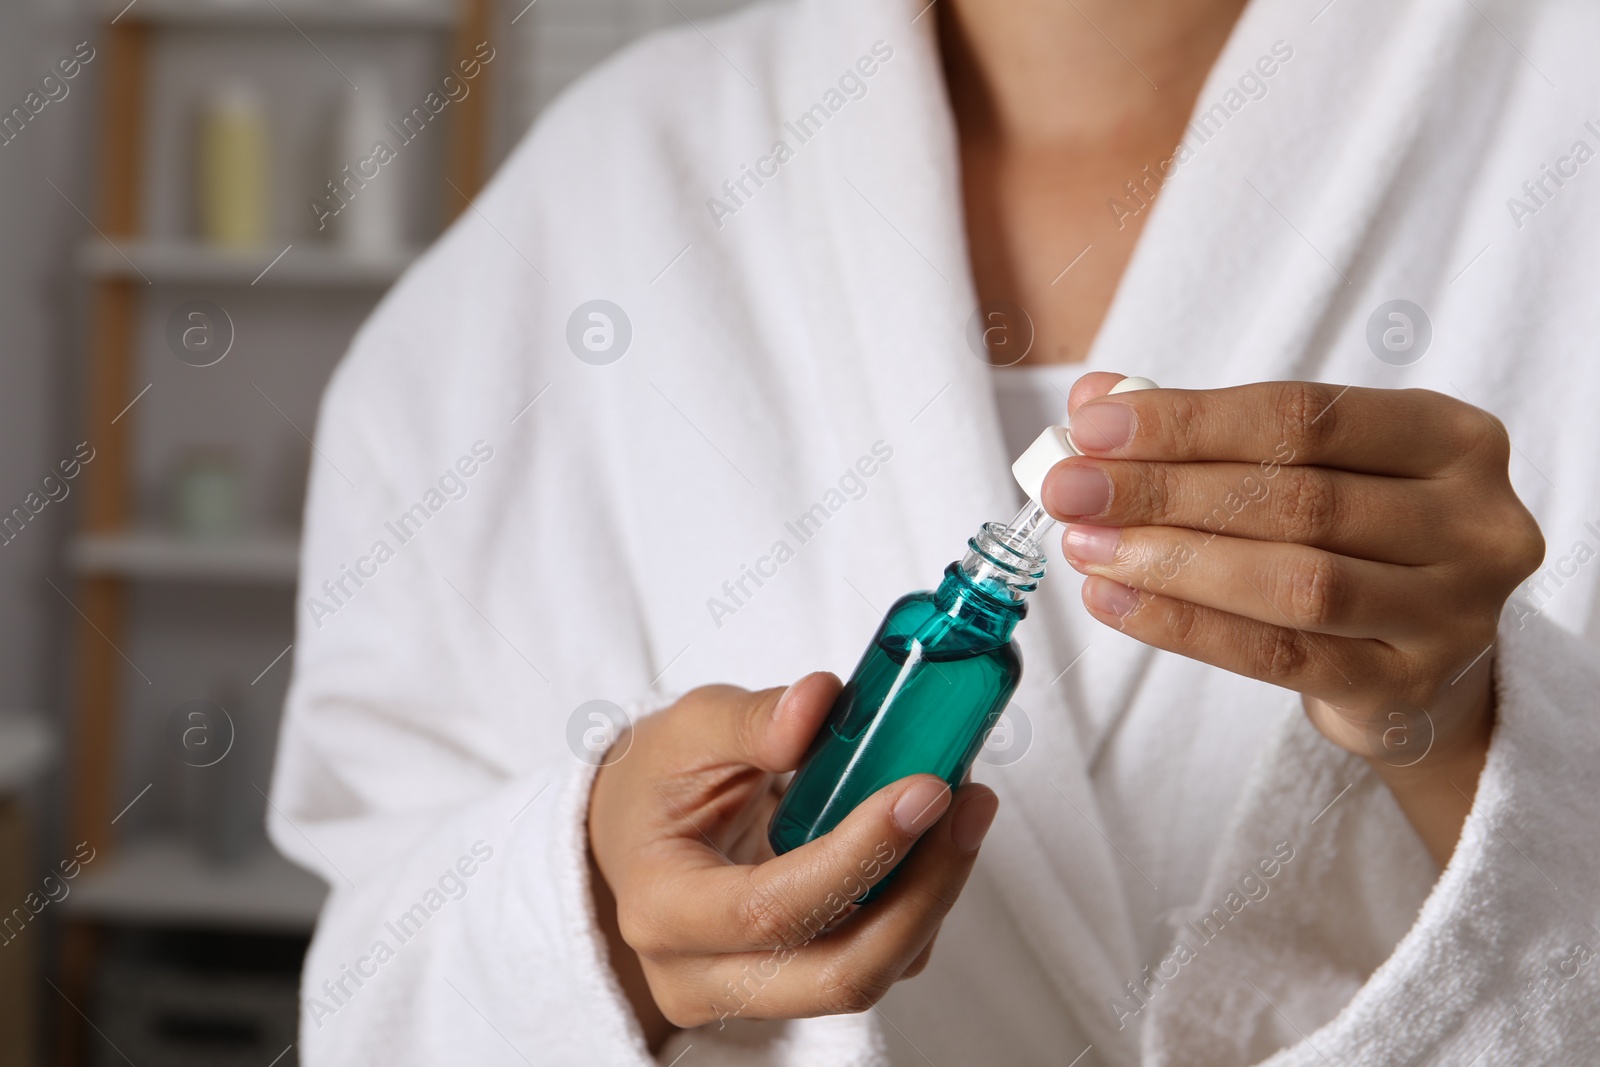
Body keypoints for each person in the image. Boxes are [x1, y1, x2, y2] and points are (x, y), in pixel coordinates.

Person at [269, 0, 1600, 1063]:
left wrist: (1462, 719)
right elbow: (379, 967)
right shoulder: (610, 187)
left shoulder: (1561, 116)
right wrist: (599, 928)